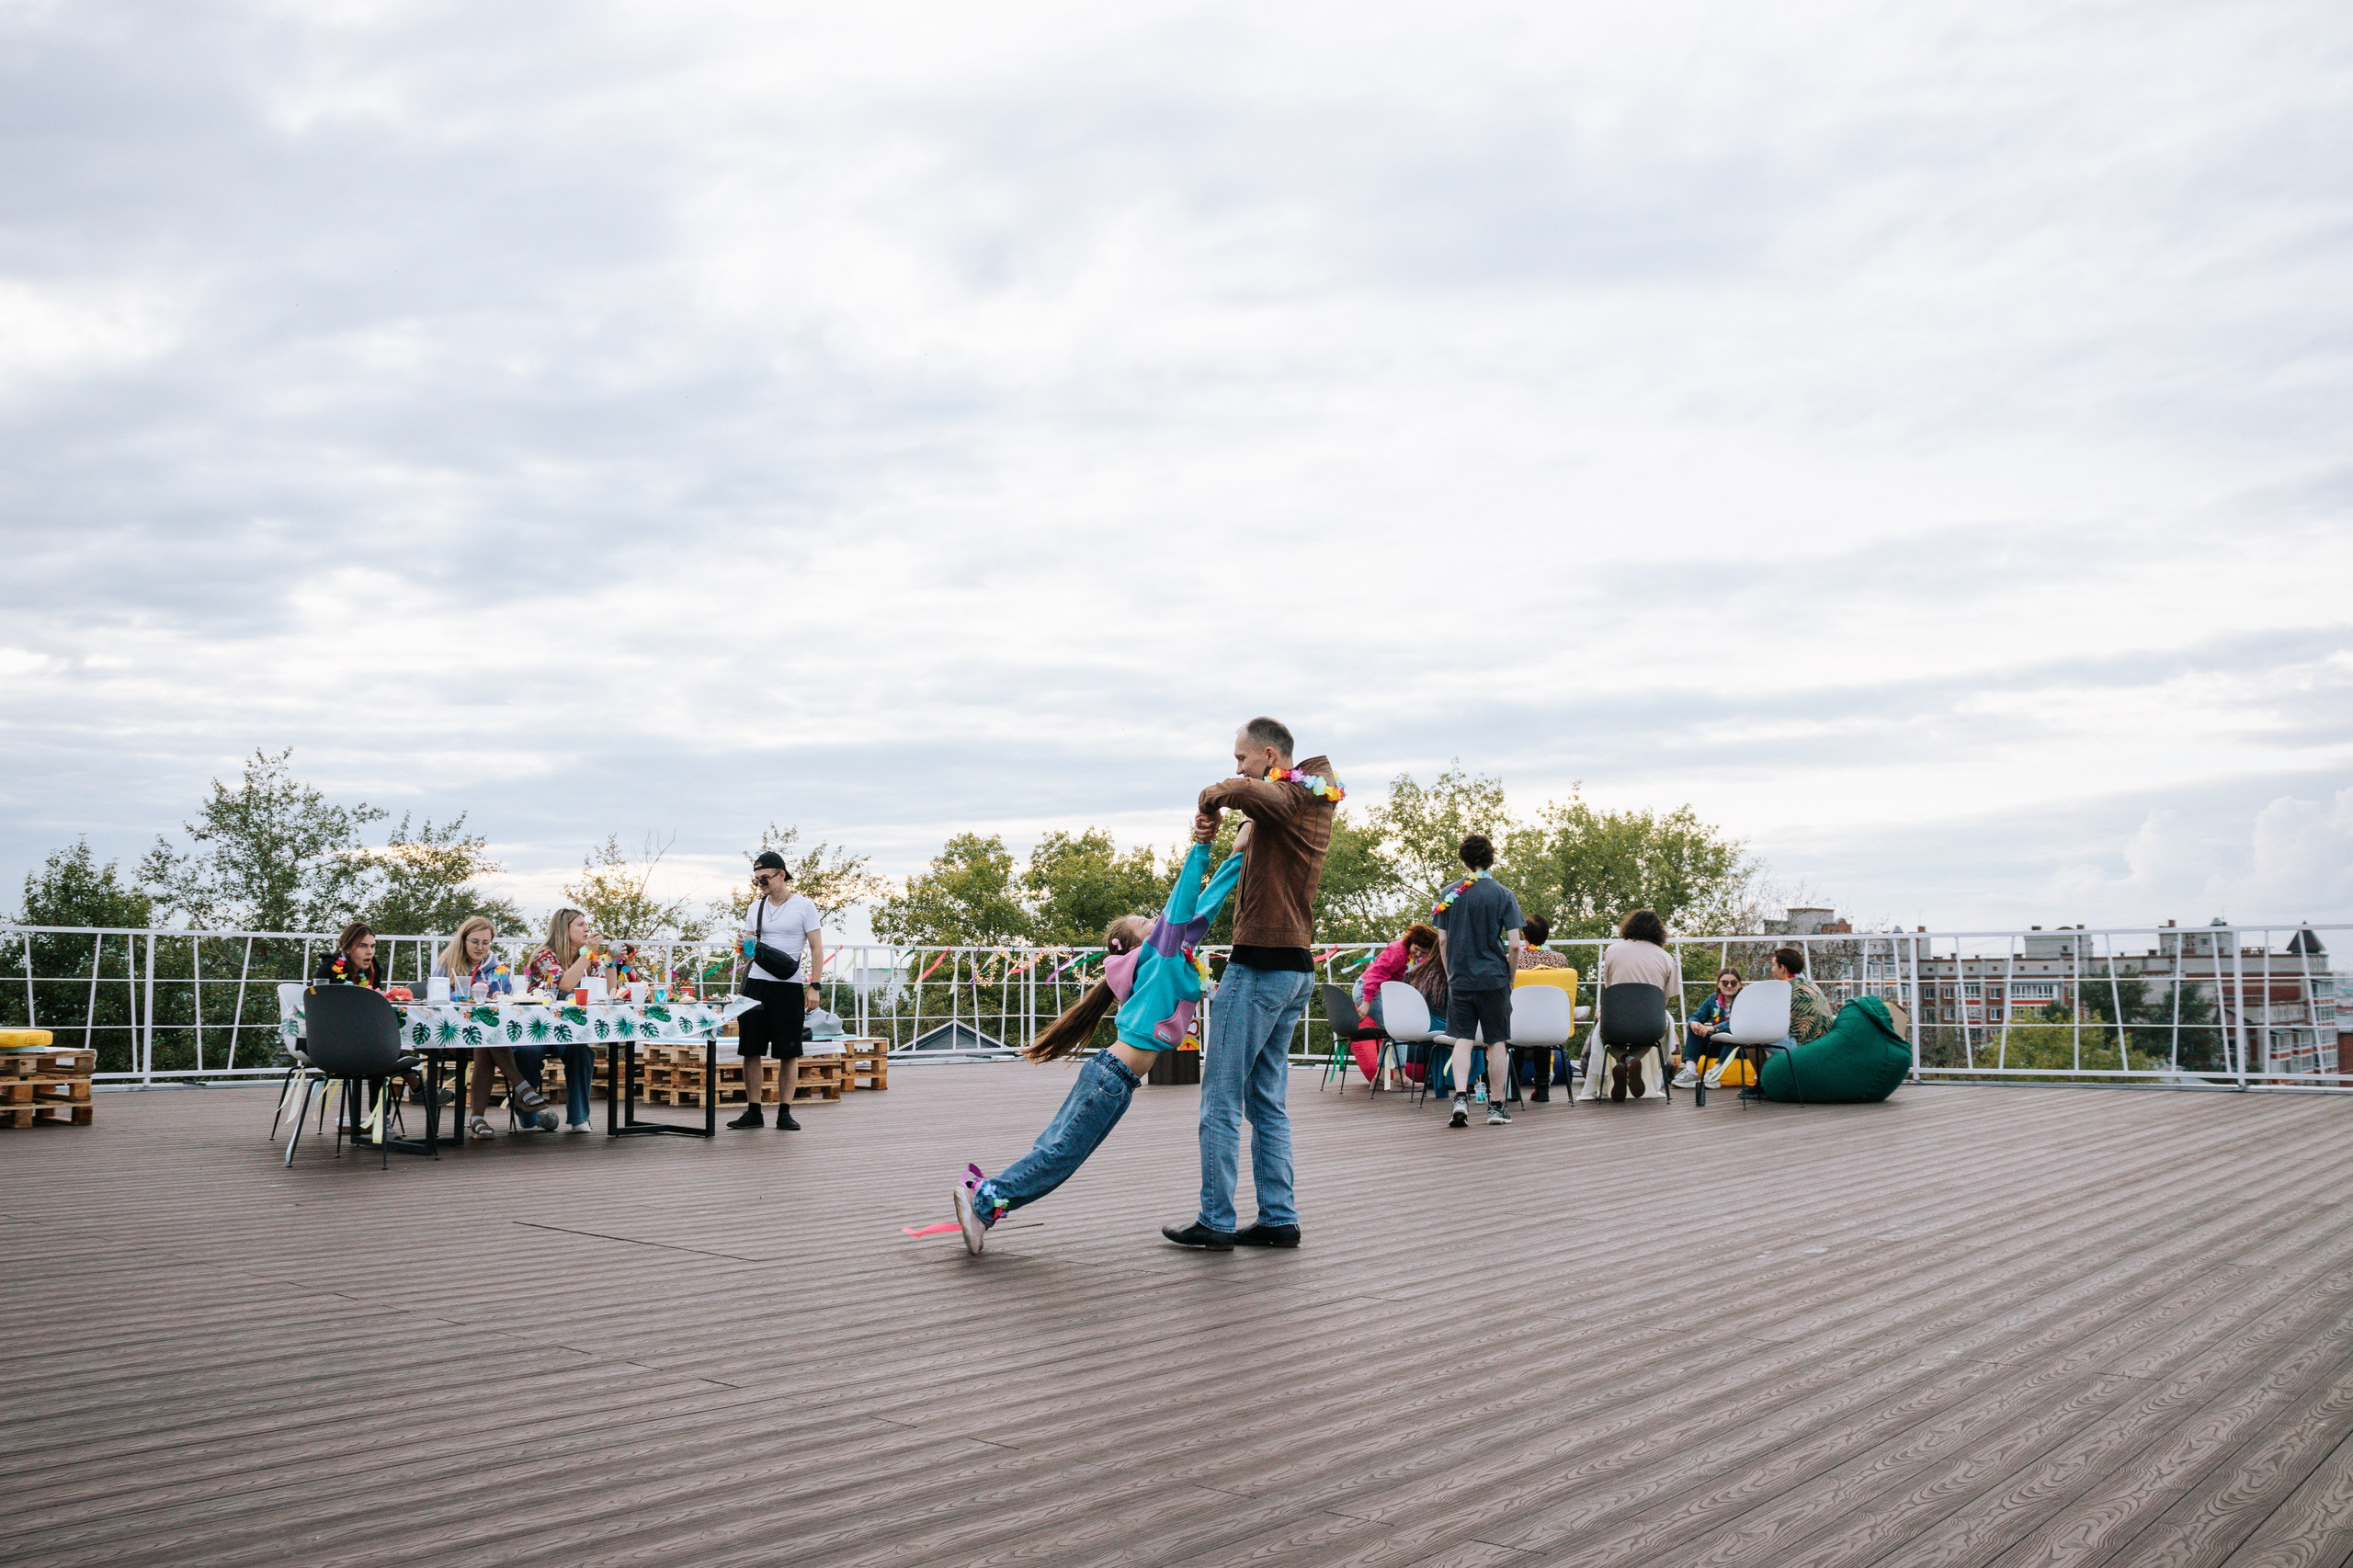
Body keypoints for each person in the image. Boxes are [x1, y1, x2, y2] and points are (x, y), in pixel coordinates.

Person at [955, 820, 1246, 1255]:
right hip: (1110, 1079)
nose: (1156, 919)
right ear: (1135, 944)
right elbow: (1184, 901)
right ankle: (984, 1201)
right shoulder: (1159, 954)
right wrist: (1202, 845)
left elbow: (1205, 908)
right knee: (1059, 1154)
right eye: (1145, 922)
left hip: (1115, 1081)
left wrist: (1238, 856)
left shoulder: (1171, 956)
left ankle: (988, 1203)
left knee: (1061, 1155)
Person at [1166, 718, 1340, 1251]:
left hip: (1261, 969)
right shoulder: (1304, 800)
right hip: (1294, 971)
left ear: (1269, 755)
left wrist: (1213, 797)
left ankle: (1216, 1220)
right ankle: (1278, 1218)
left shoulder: (1295, 795)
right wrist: (1240, 830)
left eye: (1241, 758)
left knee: (1220, 1097)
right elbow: (1263, 808)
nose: (1237, 767)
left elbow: (1252, 793)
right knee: (1266, 1100)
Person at [433, 916, 568, 1138]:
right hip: (453, 1034)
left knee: (487, 1041)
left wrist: (500, 996)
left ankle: (478, 1119)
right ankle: (522, 1088)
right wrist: (463, 996)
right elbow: (436, 1000)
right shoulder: (446, 967)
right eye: (475, 941)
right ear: (463, 940)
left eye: (486, 943)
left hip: (486, 1037)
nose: (480, 947)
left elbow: (509, 999)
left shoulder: (497, 969)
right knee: (489, 1039)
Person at [1428, 834, 1525, 1128]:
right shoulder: (1503, 894)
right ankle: (1496, 1107)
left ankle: (1460, 1099)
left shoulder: (1449, 893)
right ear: (1491, 859)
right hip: (1494, 978)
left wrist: (1451, 973)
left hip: (1460, 978)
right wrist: (1510, 979)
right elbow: (1515, 945)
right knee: (1496, 1042)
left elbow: (1442, 941)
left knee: (1463, 1040)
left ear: (1464, 860)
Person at [729, 852, 824, 1131]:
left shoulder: (804, 906)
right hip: (756, 983)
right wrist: (742, 945)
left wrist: (815, 985)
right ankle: (753, 1111)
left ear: (781, 875)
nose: (760, 884)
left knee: (788, 1051)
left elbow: (816, 947)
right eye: (756, 880)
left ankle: (785, 1112)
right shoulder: (755, 908)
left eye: (764, 878)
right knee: (751, 1050)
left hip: (789, 985)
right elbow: (749, 952)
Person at [310, 921, 444, 1111]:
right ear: (347, 948)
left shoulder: (372, 969)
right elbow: (317, 1007)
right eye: (363, 946)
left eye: (372, 946)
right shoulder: (329, 969)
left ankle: (385, 1116)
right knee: (379, 1050)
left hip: (364, 1038)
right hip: (333, 1040)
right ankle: (415, 1090)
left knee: (378, 1048)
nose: (370, 952)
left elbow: (375, 1000)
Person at [1579, 909, 1683, 1101]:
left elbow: (1611, 988)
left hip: (1616, 1021)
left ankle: (1625, 1059)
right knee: (1654, 1035)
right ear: (1658, 932)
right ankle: (1633, 1060)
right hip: (1650, 1024)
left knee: (1606, 1035)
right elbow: (1664, 1000)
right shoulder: (1666, 957)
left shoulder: (1612, 950)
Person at [1735, 946, 1836, 1102]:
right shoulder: (1809, 985)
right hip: (1822, 1045)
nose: (1772, 969)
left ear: (1782, 968)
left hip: (1803, 1048)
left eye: (1773, 965)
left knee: (1749, 1037)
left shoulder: (1784, 988)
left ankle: (1762, 1085)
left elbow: (1766, 1020)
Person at [1675, 967, 1745, 1088]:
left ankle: (1715, 1073)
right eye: (1725, 983)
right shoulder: (1713, 999)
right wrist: (1694, 1023)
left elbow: (1738, 1023)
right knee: (1694, 1031)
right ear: (1718, 984)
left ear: (1739, 984)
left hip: (1738, 1047)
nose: (1729, 986)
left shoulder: (1745, 1000)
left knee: (1732, 1035)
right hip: (1717, 1044)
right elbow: (1697, 1016)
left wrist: (1713, 1028)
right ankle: (1691, 1071)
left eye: (1733, 983)